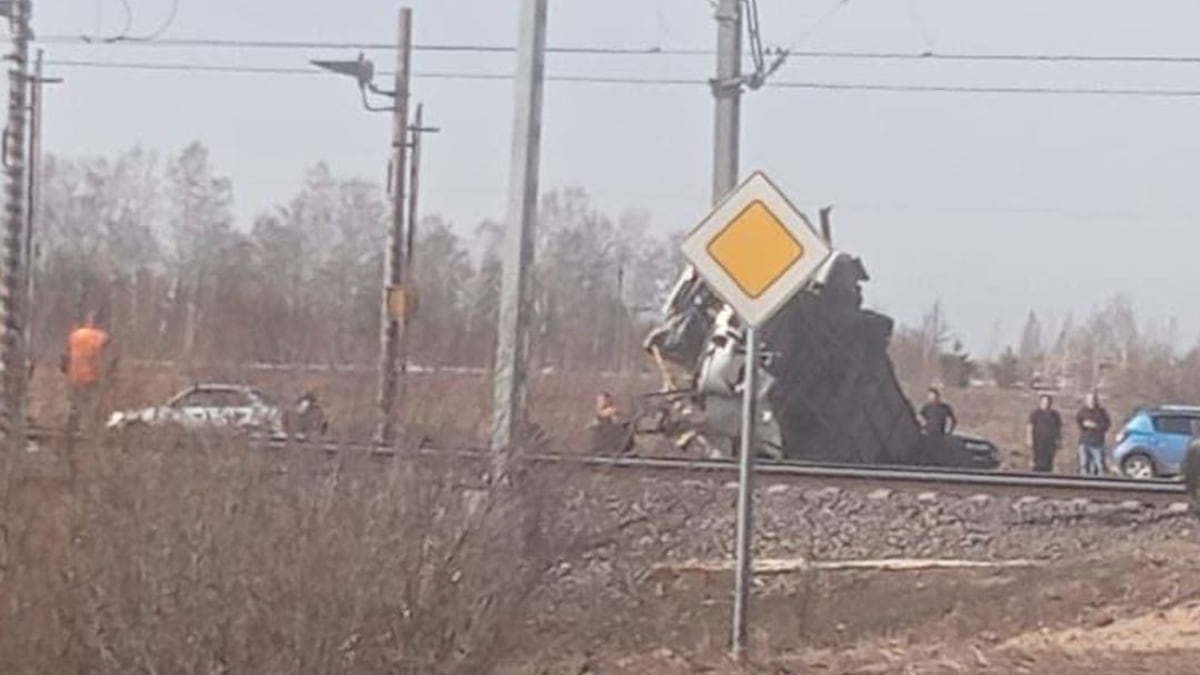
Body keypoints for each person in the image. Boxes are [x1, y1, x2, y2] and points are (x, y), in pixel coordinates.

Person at [61, 312, 113, 435]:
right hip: (92, 376)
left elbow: (66, 356)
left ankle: (71, 428)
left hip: (74, 375)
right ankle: (90, 430)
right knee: (91, 404)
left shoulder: (75, 335)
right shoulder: (101, 337)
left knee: (75, 403)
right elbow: (107, 358)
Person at [1075, 391, 1111, 476]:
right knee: (1083, 465)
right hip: (1084, 442)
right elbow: (1078, 422)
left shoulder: (1101, 412)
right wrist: (1084, 424)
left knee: (1099, 466)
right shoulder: (1082, 411)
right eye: (1089, 400)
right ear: (1086, 401)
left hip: (1097, 443)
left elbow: (1107, 425)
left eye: (1093, 400)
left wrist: (1096, 426)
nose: (1091, 402)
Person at [1026, 394, 1063, 473]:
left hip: (1050, 443)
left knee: (1049, 462)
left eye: (1047, 402)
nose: (1046, 404)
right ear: (1040, 402)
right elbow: (1030, 427)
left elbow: (1058, 428)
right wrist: (1029, 439)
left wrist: (1059, 440)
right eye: (1044, 402)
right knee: (1037, 462)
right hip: (1038, 442)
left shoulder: (1055, 415)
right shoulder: (1035, 413)